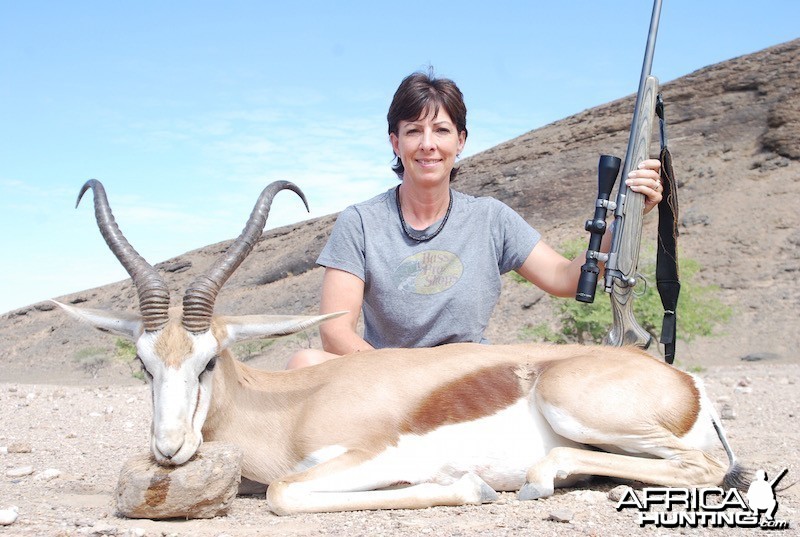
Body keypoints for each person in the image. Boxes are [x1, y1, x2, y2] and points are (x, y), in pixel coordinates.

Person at [286, 70, 663, 369]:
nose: (428, 144)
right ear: (395, 143)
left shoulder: (490, 218)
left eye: (442, 130)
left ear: (461, 141)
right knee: (303, 363)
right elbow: (335, 332)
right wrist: (400, 377)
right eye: (413, 131)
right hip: (384, 380)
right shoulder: (360, 222)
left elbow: (565, 278)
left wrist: (626, 219)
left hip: (467, 380)